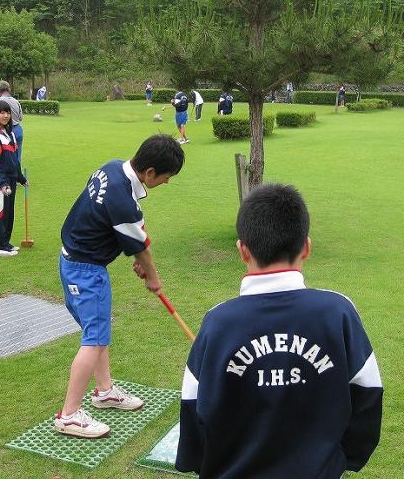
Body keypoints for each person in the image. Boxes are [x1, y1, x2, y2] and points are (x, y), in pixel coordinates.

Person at [176, 183, 383, 478]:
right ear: (307, 248)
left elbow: (193, 410)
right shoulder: (338, 312)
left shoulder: (217, 322)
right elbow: (368, 396)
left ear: (242, 250)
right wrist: (337, 460)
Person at [54, 134, 185, 438]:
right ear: (150, 172)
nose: (166, 183)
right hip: (85, 272)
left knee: (96, 333)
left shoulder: (112, 167)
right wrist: (152, 275)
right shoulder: (122, 198)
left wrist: (133, 250)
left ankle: (104, 391)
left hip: (74, 262)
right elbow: (141, 245)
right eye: (166, 177)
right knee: (95, 339)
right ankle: (70, 415)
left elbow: (111, 222)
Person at [0, 100, 27, 257]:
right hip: (1, 181)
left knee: (8, 213)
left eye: (7, 112)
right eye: (2, 112)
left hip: (11, 179)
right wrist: (2, 183)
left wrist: (21, 178)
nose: (5, 115)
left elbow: (15, 161)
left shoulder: (11, 135)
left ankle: (5, 243)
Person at [0, 81, 24, 163]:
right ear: (9, 90)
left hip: (3, 131)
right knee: (16, 158)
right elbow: (20, 118)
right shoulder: (16, 102)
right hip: (17, 130)